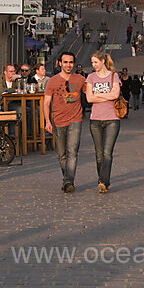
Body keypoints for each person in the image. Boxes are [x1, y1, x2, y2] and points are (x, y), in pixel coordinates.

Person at [44, 52, 86, 193]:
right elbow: (46, 103)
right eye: (66, 62)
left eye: (71, 62)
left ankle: (69, 181)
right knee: (62, 155)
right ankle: (66, 178)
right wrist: (47, 121)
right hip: (59, 121)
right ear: (60, 63)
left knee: (72, 152)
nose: (68, 65)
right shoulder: (52, 81)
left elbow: (91, 94)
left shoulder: (80, 79)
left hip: (75, 119)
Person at [86, 52, 121, 192]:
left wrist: (98, 95)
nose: (93, 65)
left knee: (107, 153)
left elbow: (115, 94)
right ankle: (102, 178)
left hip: (112, 119)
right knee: (99, 153)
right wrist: (107, 96)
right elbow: (89, 98)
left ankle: (103, 182)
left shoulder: (114, 76)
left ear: (102, 61)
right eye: (92, 62)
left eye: (95, 62)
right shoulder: (90, 77)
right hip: (95, 119)